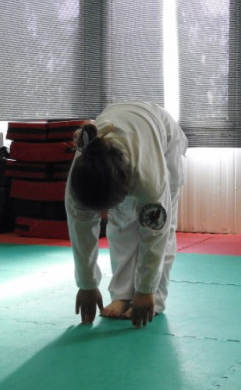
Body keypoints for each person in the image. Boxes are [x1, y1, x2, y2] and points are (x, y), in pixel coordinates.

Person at [65, 101, 188, 329]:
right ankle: (122, 295)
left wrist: (146, 289)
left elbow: (155, 234)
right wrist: (87, 284)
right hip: (129, 130)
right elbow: (80, 231)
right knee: (121, 223)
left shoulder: (148, 180)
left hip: (163, 138)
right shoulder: (80, 179)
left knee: (163, 226)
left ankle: (155, 298)